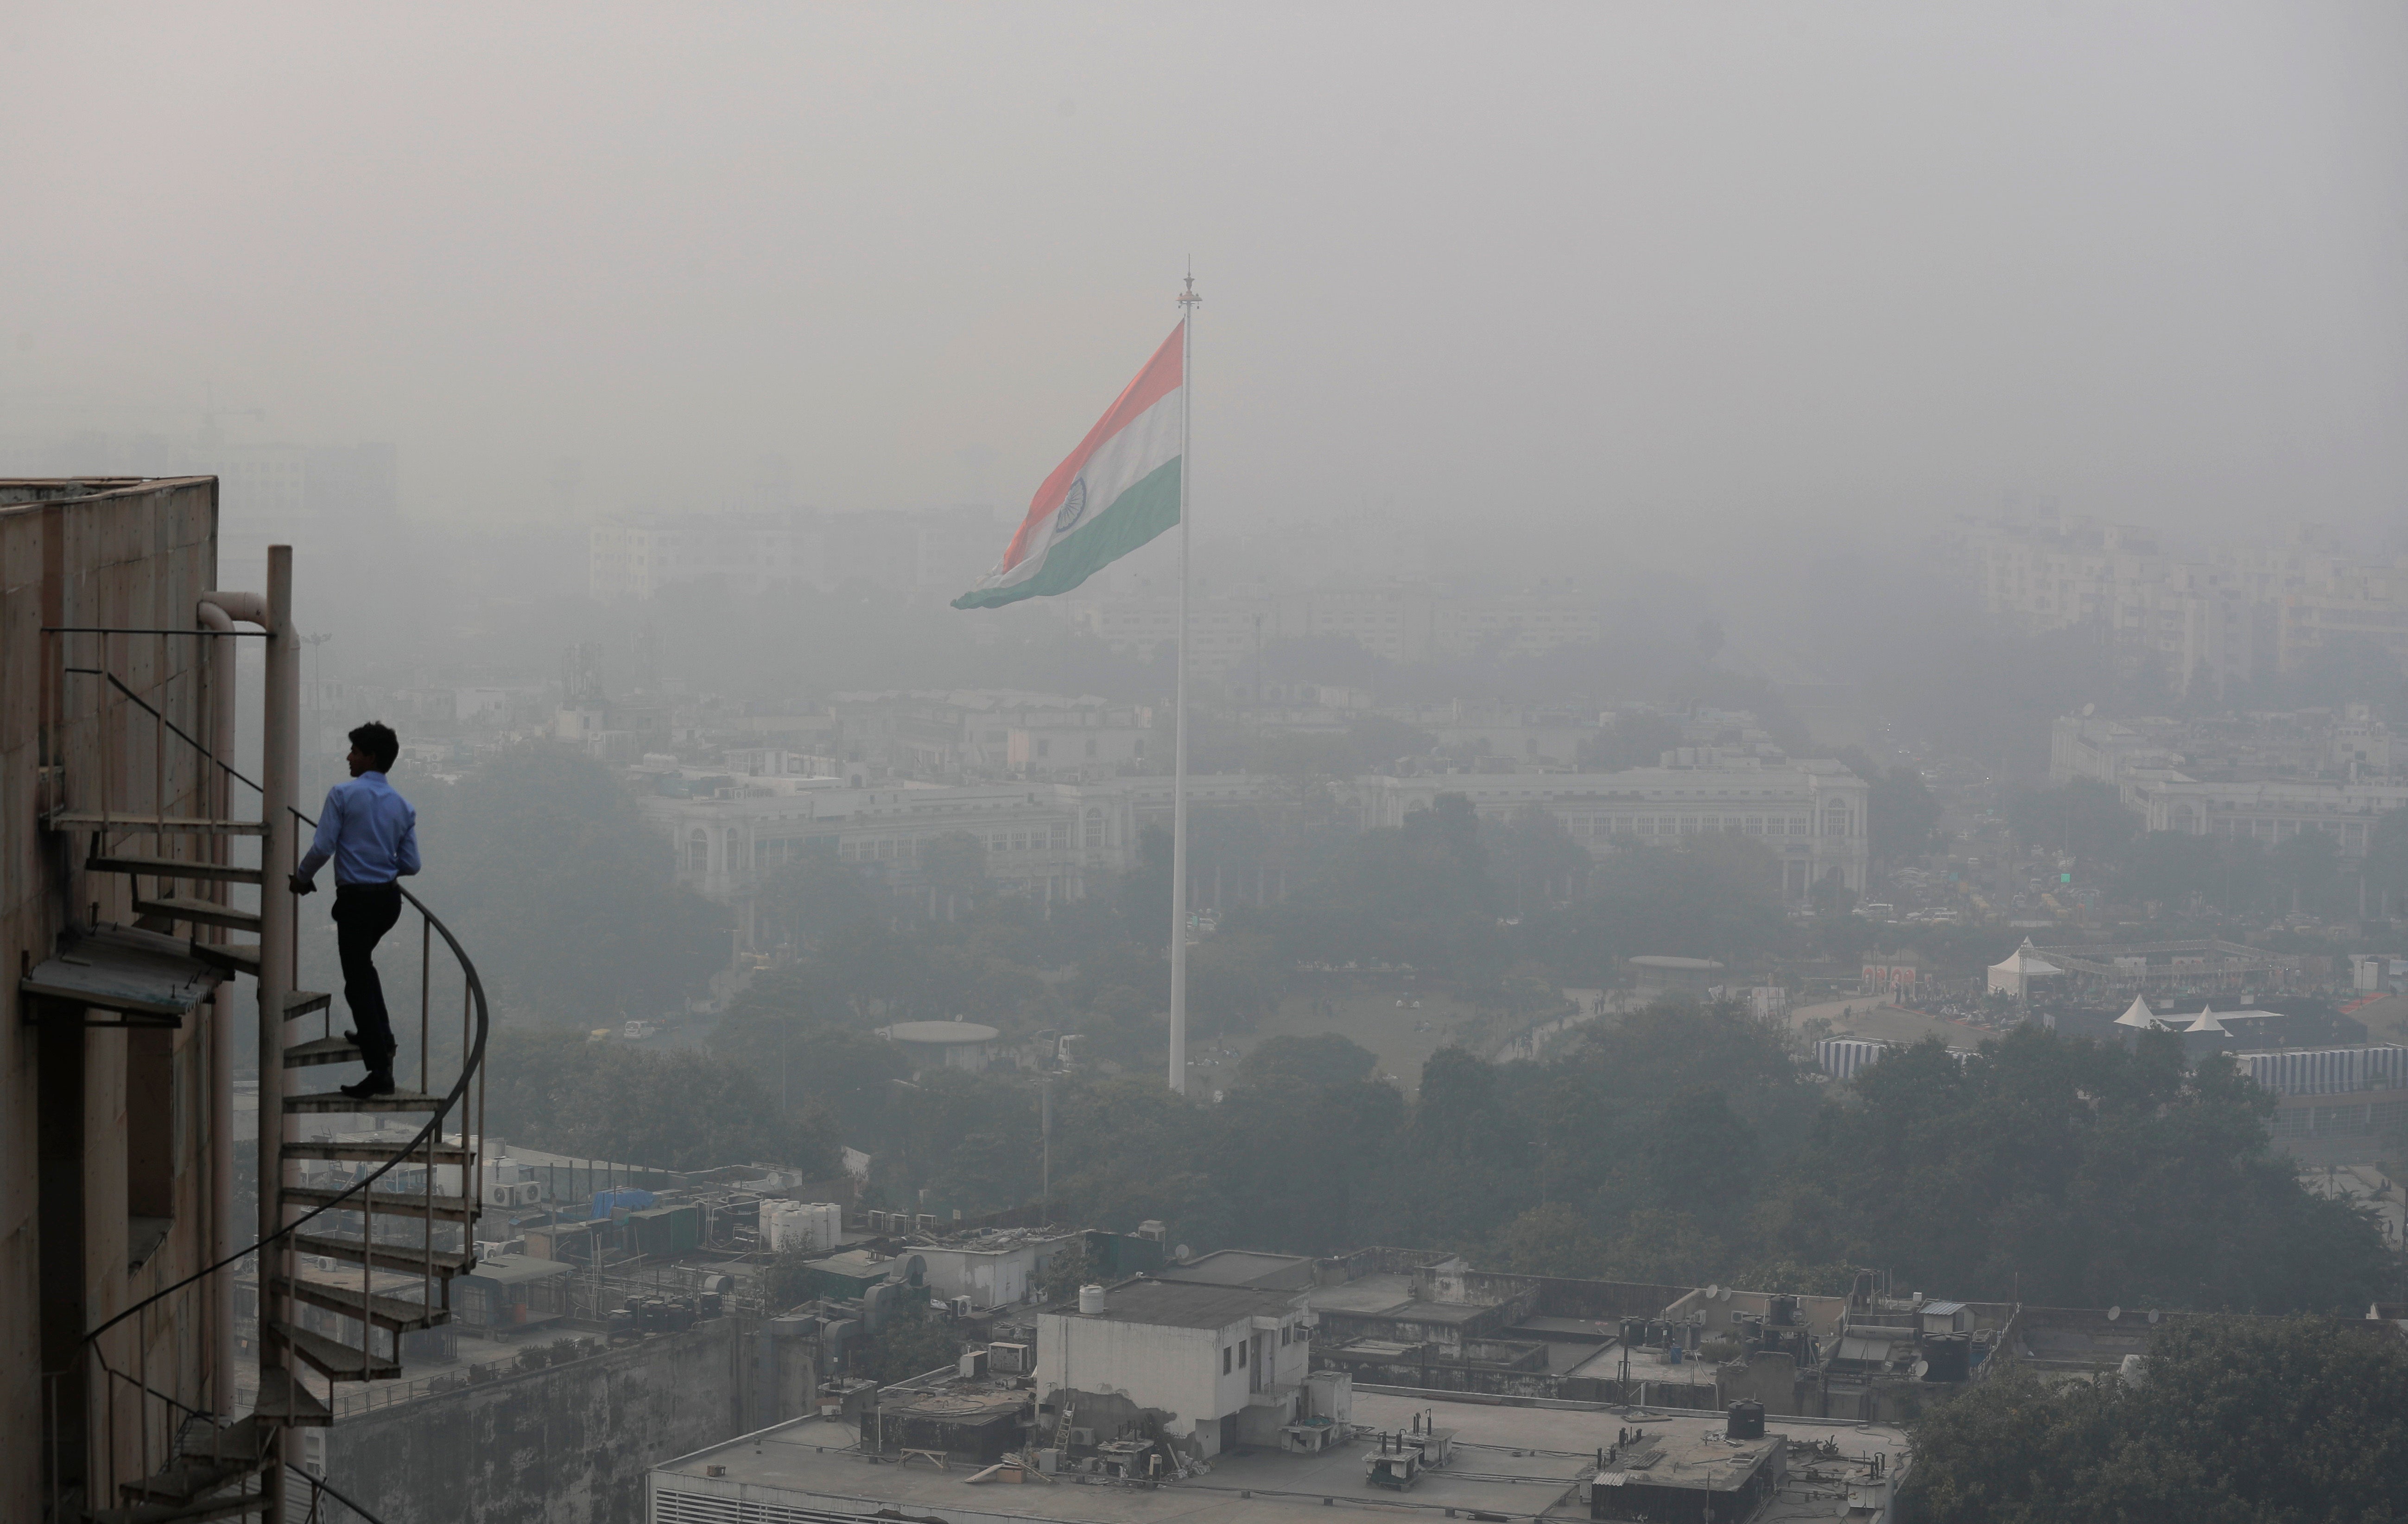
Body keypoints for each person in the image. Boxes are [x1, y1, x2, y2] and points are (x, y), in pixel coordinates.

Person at [290, 722, 420, 1099]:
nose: (349, 757)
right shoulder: (403, 805)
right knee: (363, 968)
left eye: (355, 751)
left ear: (370, 757)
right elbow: (411, 864)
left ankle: (380, 1070)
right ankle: (381, 1036)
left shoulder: (343, 795)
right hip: (387, 901)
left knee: (356, 979)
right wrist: (381, 865)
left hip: (357, 900)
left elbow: (323, 848)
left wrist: (301, 879)